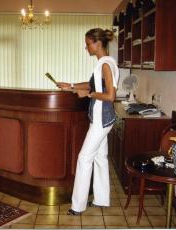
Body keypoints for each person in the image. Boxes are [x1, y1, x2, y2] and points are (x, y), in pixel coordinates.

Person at [56, 28, 119, 215]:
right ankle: (101, 199)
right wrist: (72, 86)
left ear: (98, 44)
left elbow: (110, 96)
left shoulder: (106, 64)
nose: (86, 47)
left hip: (101, 119)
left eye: (88, 43)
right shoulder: (104, 63)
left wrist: (89, 94)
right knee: (100, 158)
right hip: (101, 119)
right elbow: (93, 85)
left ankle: (78, 206)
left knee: (84, 159)